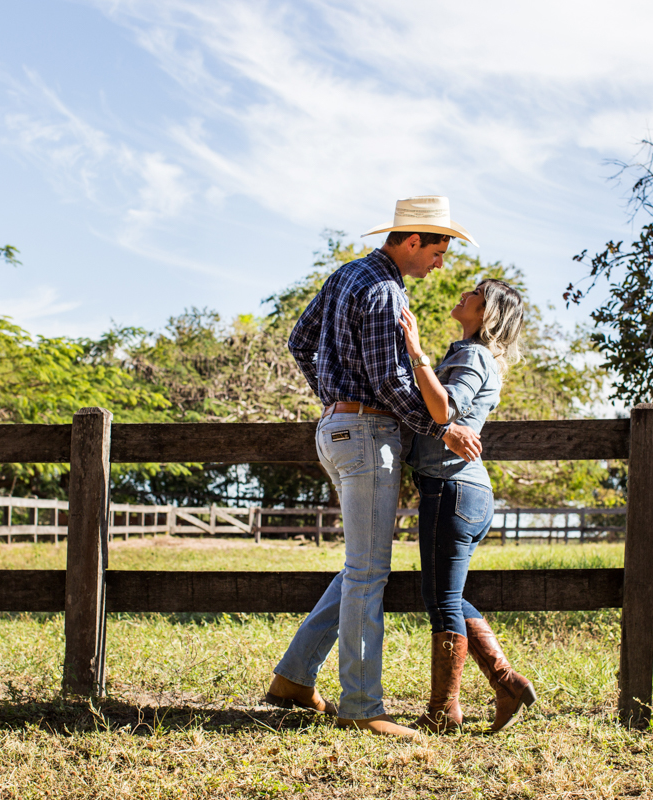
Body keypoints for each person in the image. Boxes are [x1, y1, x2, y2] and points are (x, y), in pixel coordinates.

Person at [265, 196, 483, 739]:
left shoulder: (346, 275)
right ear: (412, 241)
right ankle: (362, 706)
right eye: (437, 252)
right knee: (367, 574)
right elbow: (389, 381)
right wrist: (440, 429)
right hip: (365, 435)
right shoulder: (386, 290)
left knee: (358, 567)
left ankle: (293, 678)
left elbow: (299, 341)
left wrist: (334, 399)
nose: (440, 264)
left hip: (336, 432)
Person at [397, 278, 536, 733]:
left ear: (488, 312)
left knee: (441, 601)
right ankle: (506, 682)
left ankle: (443, 711)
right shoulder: (474, 355)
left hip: (450, 489)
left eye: (476, 292)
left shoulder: (473, 356)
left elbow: (444, 412)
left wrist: (415, 351)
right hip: (465, 493)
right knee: (448, 596)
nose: (465, 294)